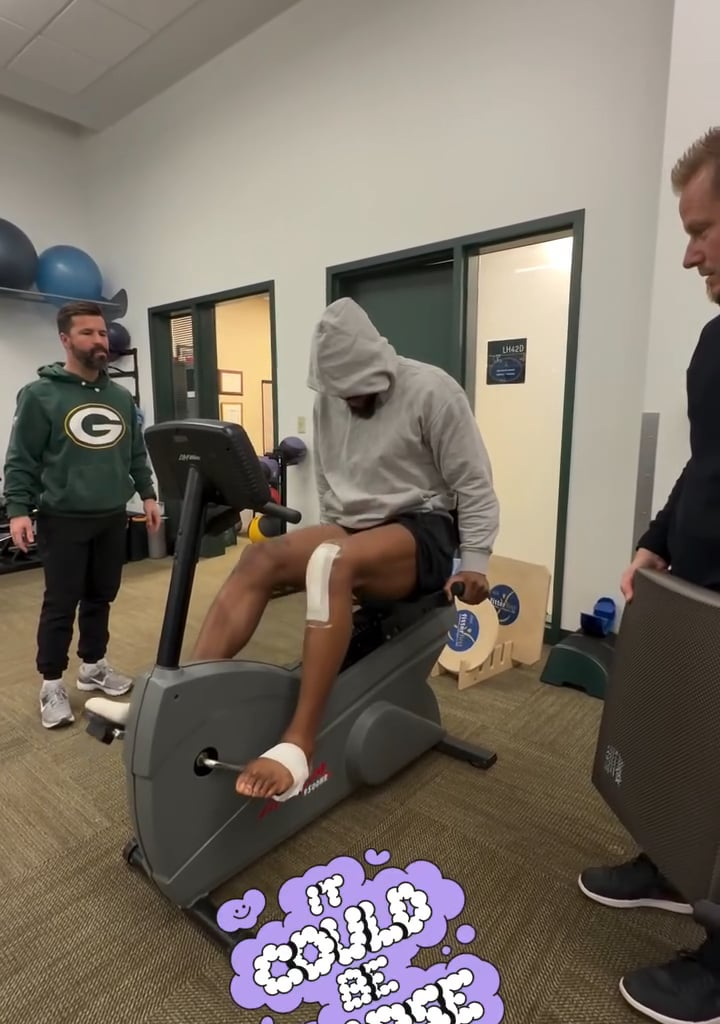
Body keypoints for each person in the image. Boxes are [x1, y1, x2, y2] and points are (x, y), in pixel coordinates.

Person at [170, 297, 498, 801]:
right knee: (260, 556)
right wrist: (323, 552)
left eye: (358, 390)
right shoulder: (329, 401)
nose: (350, 401)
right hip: (351, 528)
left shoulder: (433, 391)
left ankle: (298, 744)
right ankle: (189, 694)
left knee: (330, 563)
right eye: (341, 392)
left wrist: (475, 561)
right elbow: (329, 485)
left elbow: (474, 484)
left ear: (379, 366)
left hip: (423, 529)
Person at [579, 127, 720, 1024]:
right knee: (688, 749)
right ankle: (674, 869)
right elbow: (707, 464)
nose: (689, 255)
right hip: (698, 591)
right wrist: (657, 538)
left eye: (702, 230)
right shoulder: (714, 341)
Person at [2, 301, 162, 730]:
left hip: (110, 515)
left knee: (100, 596)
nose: (99, 340)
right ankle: (51, 683)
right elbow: (21, 458)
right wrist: (18, 509)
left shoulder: (119, 397)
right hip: (63, 517)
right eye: (87, 333)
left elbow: (135, 452)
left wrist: (148, 495)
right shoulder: (40, 395)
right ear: (65, 339)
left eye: (102, 333)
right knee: (61, 602)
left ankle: (93, 666)